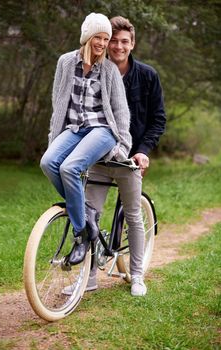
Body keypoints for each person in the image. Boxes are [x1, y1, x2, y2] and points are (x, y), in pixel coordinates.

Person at [63, 16, 166, 296]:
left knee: (133, 215)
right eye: (113, 41)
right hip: (99, 156)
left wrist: (143, 151)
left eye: (124, 41)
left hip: (129, 159)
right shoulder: (95, 71)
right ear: (106, 44)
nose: (118, 47)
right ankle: (89, 278)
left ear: (132, 44)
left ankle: (136, 276)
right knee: (90, 215)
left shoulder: (147, 76)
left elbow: (158, 119)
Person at [40, 13, 132, 266]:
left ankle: (82, 235)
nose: (103, 44)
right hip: (74, 127)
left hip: (102, 130)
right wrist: (54, 138)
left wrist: (122, 145)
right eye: (98, 38)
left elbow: (121, 110)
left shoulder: (110, 70)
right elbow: (58, 103)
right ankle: (87, 213)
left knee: (71, 167)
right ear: (86, 37)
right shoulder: (65, 62)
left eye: (106, 39)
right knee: (49, 163)